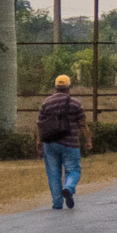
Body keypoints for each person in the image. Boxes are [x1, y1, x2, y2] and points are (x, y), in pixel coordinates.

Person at [37, 75, 91, 211]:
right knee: (73, 170)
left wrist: (39, 141)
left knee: (53, 173)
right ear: (69, 87)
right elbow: (83, 124)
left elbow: (39, 124)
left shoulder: (46, 103)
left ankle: (57, 203)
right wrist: (88, 140)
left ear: (56, 87)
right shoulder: (76, 104)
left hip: (50, 143)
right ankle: (68, 187)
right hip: (70, 143)